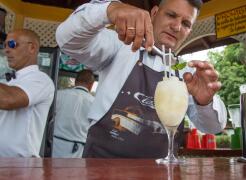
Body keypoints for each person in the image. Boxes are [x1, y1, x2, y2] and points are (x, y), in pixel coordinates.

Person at [56, 0, 227, 158]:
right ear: (154, 13)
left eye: (185, 23)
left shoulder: (188, 73)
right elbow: (67, 40)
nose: (176, 26)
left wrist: (205, 102)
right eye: (171, 15)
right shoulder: (120, 45)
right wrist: (110, 9)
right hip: (101, 168)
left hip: (162, 173)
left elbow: (213, 127)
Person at [0, 29, 55, 157]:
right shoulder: (7, 81)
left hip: (18, 167)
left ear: (32, 48)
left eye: (12, 44)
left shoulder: (41, 80)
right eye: (5, 45)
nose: (6, 50)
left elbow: (8, 100)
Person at [52, 69, 95, 158]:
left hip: (55, 144)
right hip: (78, 149)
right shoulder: (94, 102)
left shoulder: (59, 95)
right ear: (91, 85)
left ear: (75, 81)